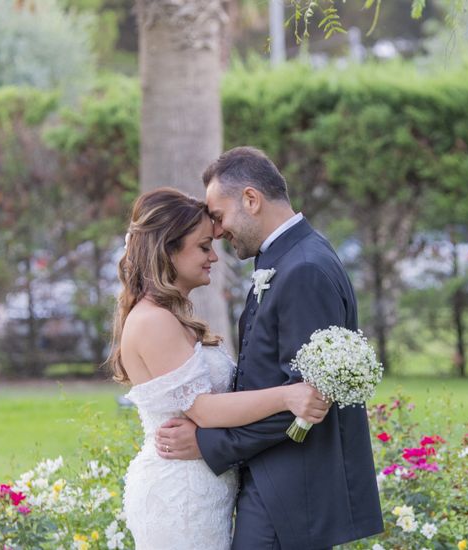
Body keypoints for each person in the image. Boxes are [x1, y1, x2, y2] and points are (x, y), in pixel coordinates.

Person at [154, 147, 384, 549]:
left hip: (290, 493)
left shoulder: (304, 269)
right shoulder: (292, 257)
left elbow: (306, 402)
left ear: (251, 199)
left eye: (220, 216)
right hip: (273, 478)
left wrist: (209, 444)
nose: (219, 232)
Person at [108, 187, 331, 550]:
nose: (214, 256)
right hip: (179, 498)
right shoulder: (153, 322)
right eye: (203, 246)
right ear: (167, 250)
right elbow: (205, 410)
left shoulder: (171, 316)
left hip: (203, 490)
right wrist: (289, 395)